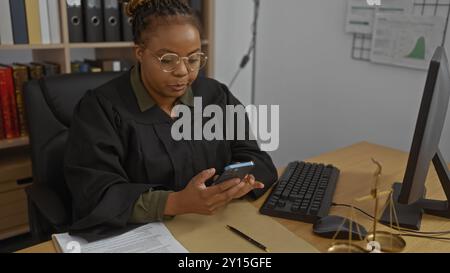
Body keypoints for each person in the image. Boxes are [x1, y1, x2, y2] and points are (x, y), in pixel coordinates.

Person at [64, 0, 277, 241]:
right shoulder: (101, 109)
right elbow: (96, 191)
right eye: (168, 60)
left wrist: (234, 185)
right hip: (145, 237)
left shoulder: (216, 96)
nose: (183, 72)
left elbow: (252, 156)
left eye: (193, 59)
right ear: (140, 53)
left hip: (217, 225)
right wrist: (175, 203)